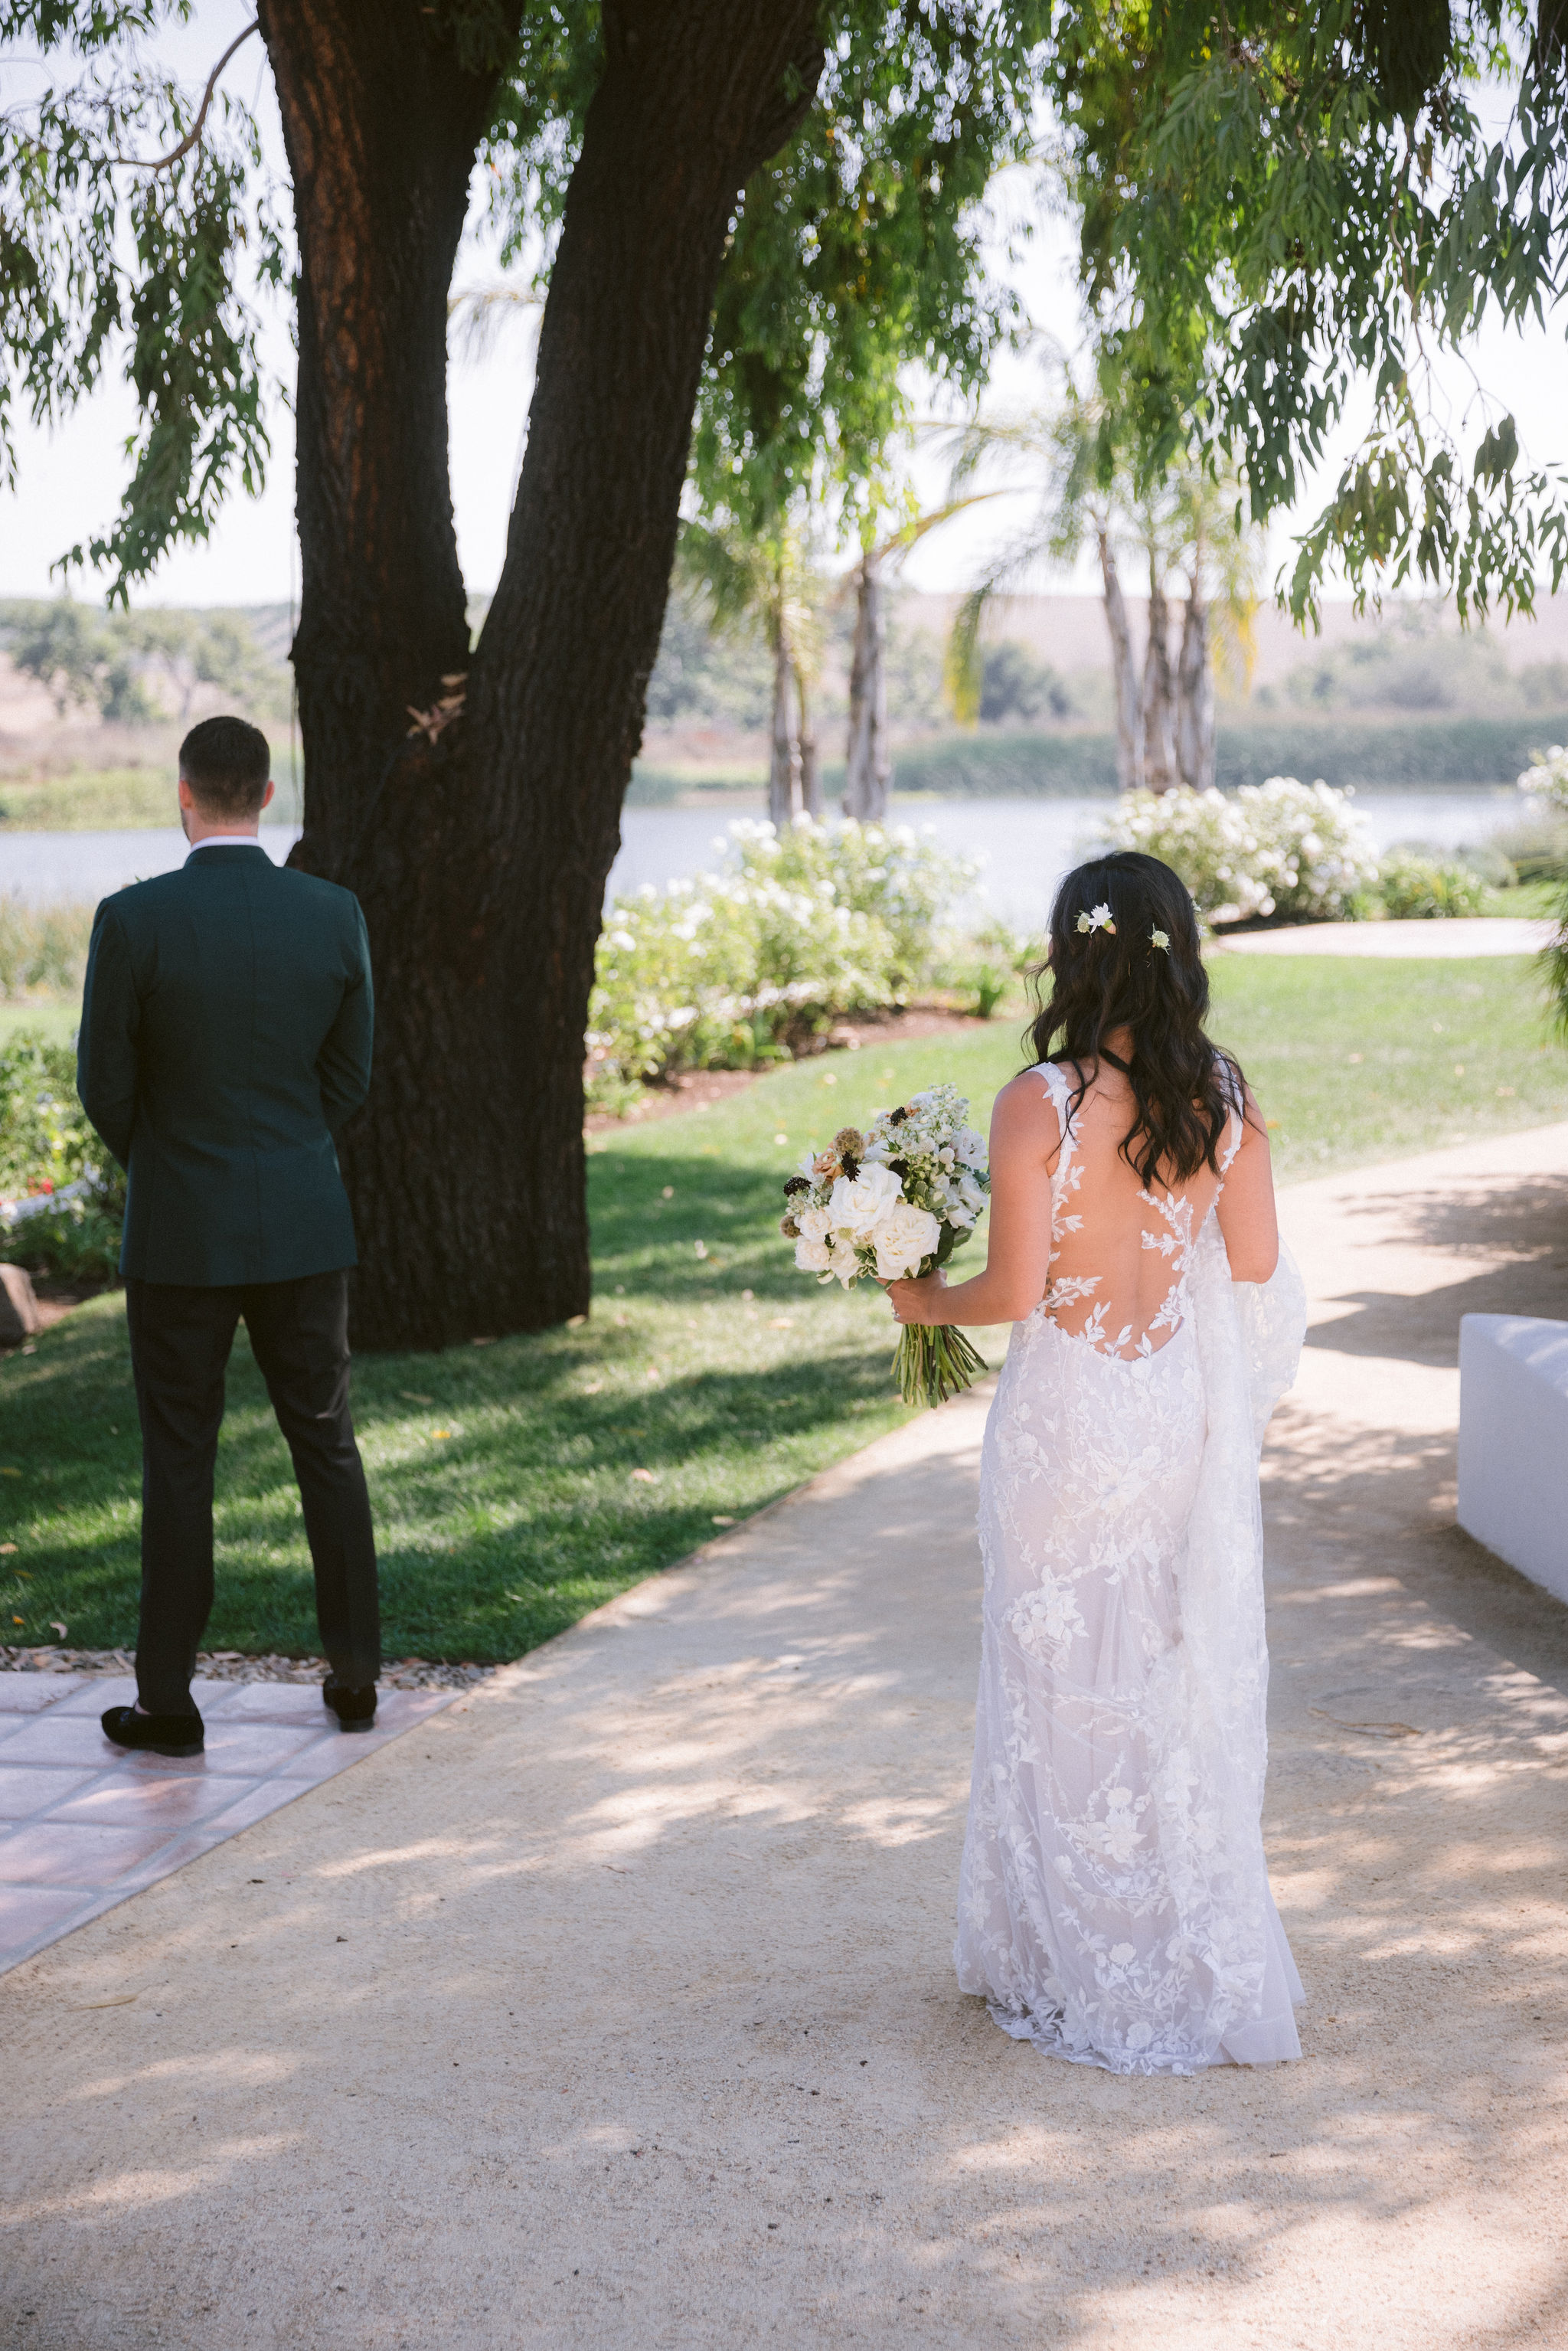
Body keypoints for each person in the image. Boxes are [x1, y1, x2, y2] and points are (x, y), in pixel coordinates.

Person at [888, 851, 1307, 2075]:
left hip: (1066, 1414)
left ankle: (1067, 1955)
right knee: (1153, 1669)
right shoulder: (1222, 1093)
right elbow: (1255, 1262)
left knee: (1049, 1666)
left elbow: (1016, 1289)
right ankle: (1159, 1942)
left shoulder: (1043, 1100)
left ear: (1077, 954)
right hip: (1168, 1408)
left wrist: (921, 1300)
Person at [77, 715, 382, 1760]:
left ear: (185, 792)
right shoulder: (333, 913)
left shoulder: (133, 919)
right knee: (326, 1442)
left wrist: (170, 1161)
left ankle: (168, 1701)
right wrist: (287, 1151)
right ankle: (355, 1676)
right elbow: (349, 1075)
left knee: (179, 1458)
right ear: (264, 795)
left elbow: (104, 1084)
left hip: (179, 1233)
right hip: (304, 1219)